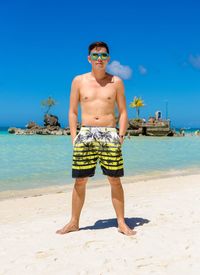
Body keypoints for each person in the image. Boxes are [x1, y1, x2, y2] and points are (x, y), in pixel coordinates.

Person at [56, 41, 135, 236]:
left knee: (114, 180)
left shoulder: (116, 82)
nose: (99, 59)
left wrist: (121, 136)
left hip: (109, 133)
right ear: (89, 58)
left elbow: (124, 111)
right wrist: (74, 137)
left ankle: (121, 222)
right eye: (95, 55)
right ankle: (74, 222)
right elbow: (73, 111)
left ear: (108, 58)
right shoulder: (79, 81)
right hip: (86, 134)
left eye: (103, 55)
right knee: (80, 181)